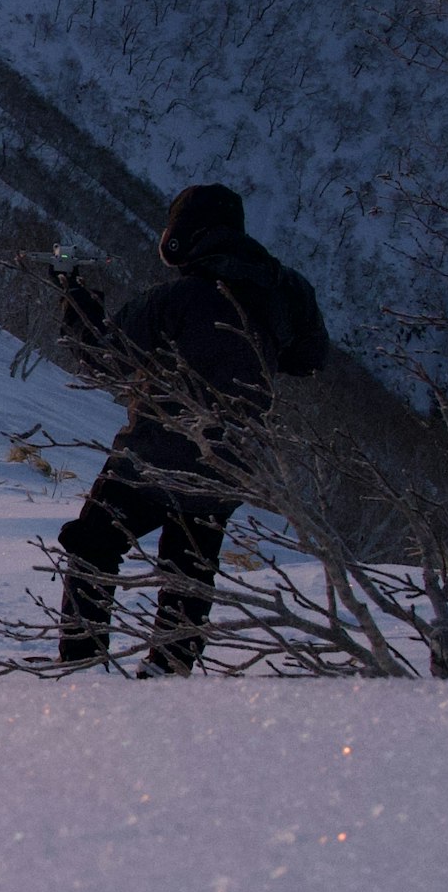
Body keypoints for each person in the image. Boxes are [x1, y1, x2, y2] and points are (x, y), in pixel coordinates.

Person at [51, 183, 329, 675]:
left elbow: (102, 356)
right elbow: (309, 359)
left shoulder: (177, 297)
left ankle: (82, 668)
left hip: (150, 458)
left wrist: (75, 294)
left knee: (93, 545)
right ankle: (169, 673)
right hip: (227, 464)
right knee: (189, 573)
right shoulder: (285, 290)